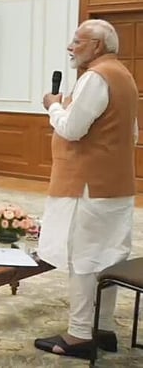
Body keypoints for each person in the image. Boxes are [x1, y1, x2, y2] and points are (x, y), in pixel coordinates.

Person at [34, 19, 137, 361]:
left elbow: (73, 129)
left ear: (96, 45)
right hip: (116, 183)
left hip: (88, 186)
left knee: (83, 257)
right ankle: (103, 326)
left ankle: (79, 334)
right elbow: (132, 134)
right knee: (109, 256)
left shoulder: (95, 77)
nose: (70, 47)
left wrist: (52, 104)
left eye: (77, 41)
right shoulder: (124, 76)